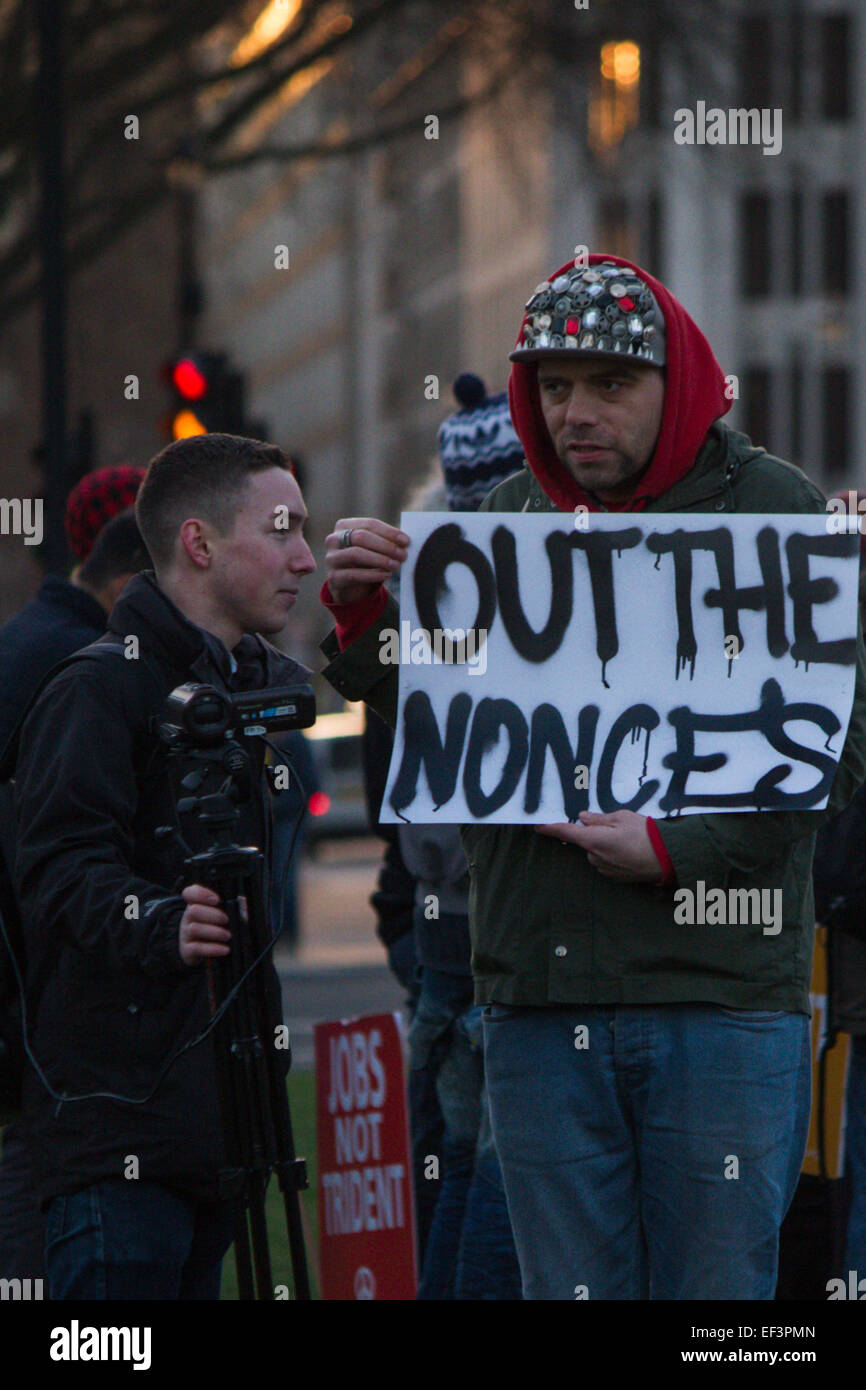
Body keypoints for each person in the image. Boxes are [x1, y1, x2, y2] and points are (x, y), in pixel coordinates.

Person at [317, 252, 866, 1300]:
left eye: (609, 384)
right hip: (536, 998)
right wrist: (361, 624)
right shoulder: (495, 531)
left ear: (679, 384)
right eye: (554, 386)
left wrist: (673, 849)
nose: (576, 411)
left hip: (717, 997)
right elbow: (457, 727)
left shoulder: (775, 509)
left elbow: (831, 747)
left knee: (715, 1300)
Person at [8, 432, 315, 1300]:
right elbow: (58, 872)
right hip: (117, 1134)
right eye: (284, 530)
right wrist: (160, 920)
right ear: (199, 544)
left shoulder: (239, 692)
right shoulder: (96, 689)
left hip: (216, 1124)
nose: (305, 557)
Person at [0, 506, 152, 1289]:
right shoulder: (75, 662)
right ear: (129, 586)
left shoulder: (33, 639)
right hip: (30, 985)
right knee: (34, 1177)